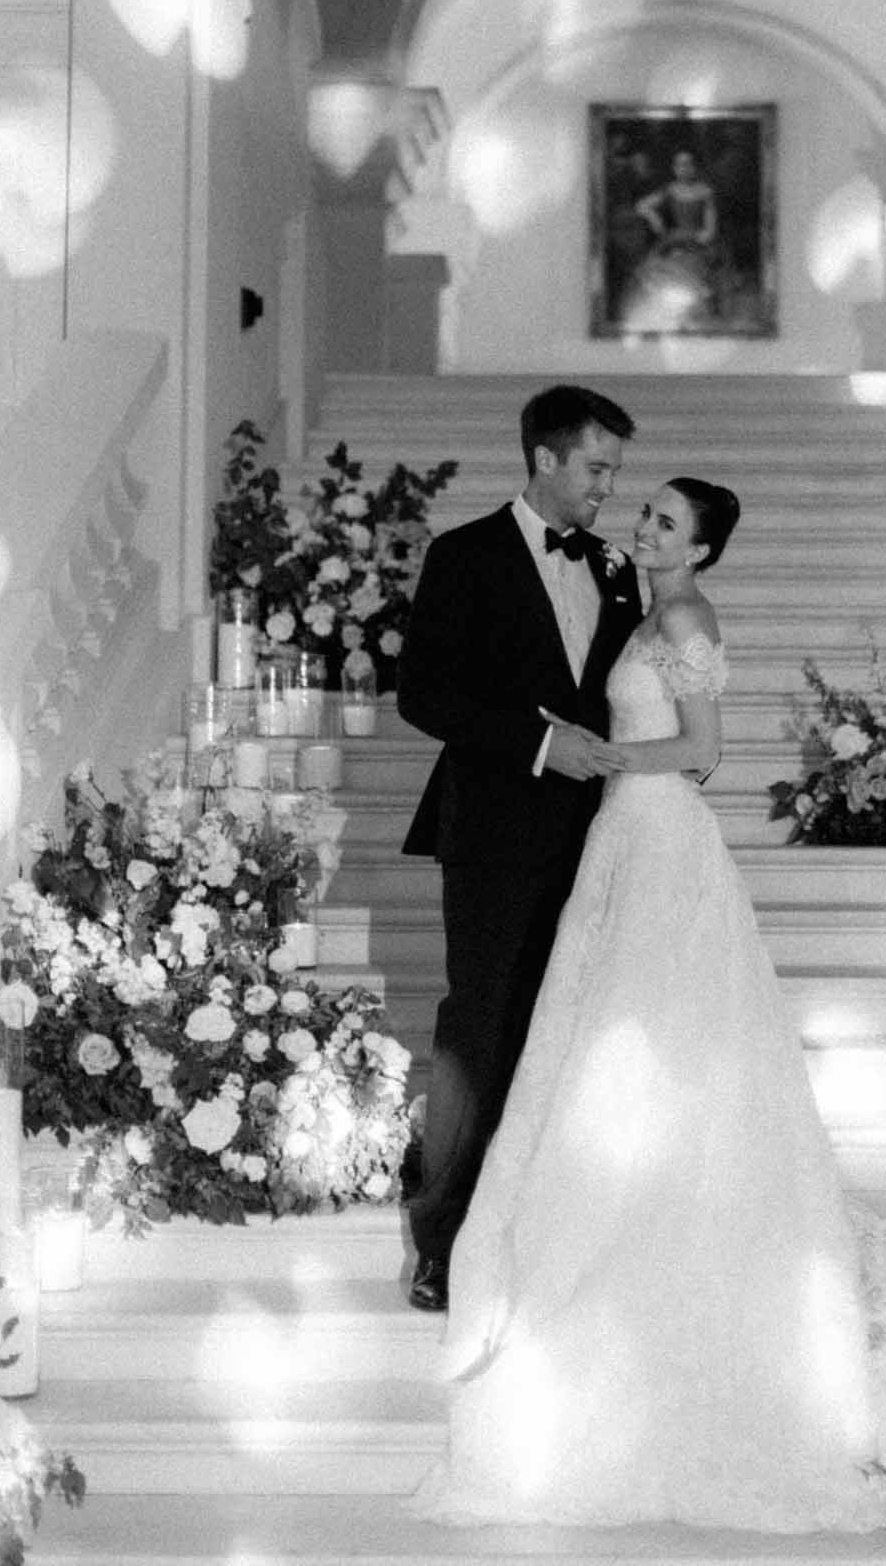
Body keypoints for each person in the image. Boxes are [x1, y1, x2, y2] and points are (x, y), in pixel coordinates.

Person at [410, 479, 886, 1532]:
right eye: (644, 515)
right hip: (616, 834)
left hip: (655, 828)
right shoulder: (636, 609)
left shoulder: (682, 616)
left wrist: (602, 756)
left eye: (667, 525)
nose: (642, 528)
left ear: (705, 548)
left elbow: (704, 750)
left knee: (658, 1034)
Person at [394, 384, 642, 1314]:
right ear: (545, 458)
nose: (608, 488)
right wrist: (541, 745)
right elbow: (424, 694)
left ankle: (546, 1229)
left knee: (573, 1028)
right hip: (494, 832)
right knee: (481, 1029)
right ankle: (443, 1242)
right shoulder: (463, 555)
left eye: (614, 471)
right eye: (596, 468)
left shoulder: (617, 568)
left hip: (598, 837)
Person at [623, 145, 721, 329]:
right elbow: (641, 205)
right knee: (653, 268)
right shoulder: (671, 189)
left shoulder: (705, 192)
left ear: (695, 167)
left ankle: (698, 302)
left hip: (697, 241)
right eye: (679, 165)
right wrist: (654, 217)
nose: (683, 169)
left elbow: (710, 229)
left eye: (687, 164)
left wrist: (701, 236)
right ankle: (670, 313)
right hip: (674, 239)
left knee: (689, 266)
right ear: (674, 168)